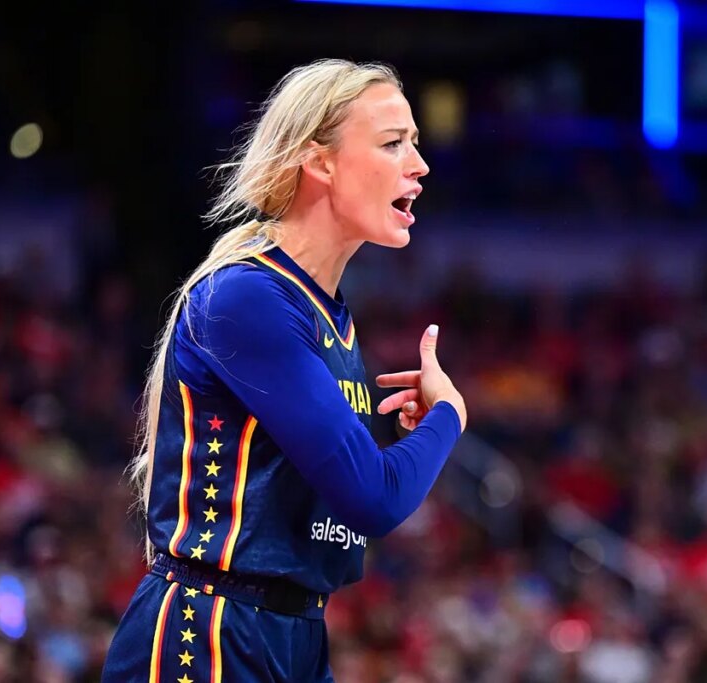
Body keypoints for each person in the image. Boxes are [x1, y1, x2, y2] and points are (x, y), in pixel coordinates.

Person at [102, 59, 468, 682]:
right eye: (392, 143)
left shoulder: (327, 313)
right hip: (210, 632)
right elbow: (374, 498)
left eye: (414, 142)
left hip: (292, 630)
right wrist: (449, 416)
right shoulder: (248, 296)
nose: (419, 164)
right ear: (320, 162)